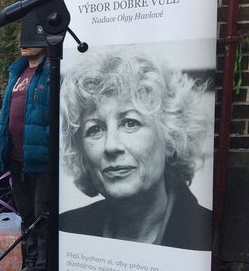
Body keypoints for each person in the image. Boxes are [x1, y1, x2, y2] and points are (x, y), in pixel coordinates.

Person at [59, 51, 212, 250]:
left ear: (171, 138)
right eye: (95, 129)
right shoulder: (68, 229)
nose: (111, 146)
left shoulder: (206, 235)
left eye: (130, 123)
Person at [0, 43, 51, 271]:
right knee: (27, 215)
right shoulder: (16, 72)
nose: (24, 43)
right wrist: (1, 153)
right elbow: (7, 115)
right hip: (16, 159)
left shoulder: (51, 71)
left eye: (32, 35)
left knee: (42, 216)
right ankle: (32, 264)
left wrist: (49, 146)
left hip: (41, 160)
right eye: (21, 37)